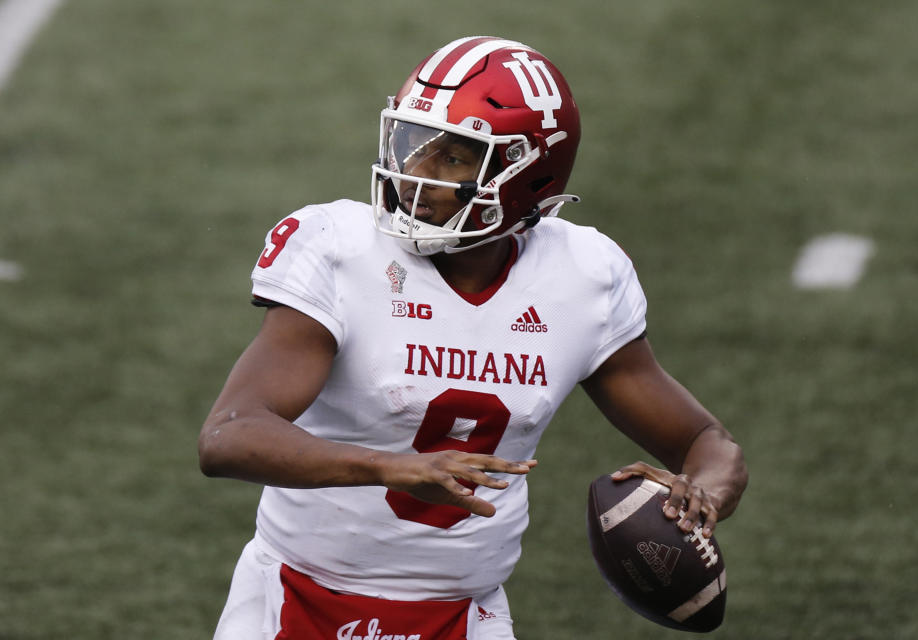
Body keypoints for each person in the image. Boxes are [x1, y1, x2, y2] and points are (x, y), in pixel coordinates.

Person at [198, 35, 748, 640]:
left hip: (467, 612)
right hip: (297, 595)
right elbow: (229, 435)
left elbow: (704, 441)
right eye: (411, 144)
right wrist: (391, 467)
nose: (414, 175)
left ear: (528, 177)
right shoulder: (337, 249)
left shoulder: (583, 275)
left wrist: (704, 494)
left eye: (454, 158)